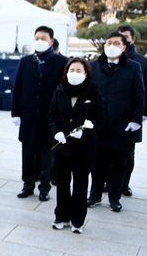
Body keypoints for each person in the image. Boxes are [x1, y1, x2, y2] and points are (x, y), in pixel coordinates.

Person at [87, 32, 145, 212]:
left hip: (122, 125)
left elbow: (139, 95)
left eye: (116, 43)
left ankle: (115, 197)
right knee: (97, 162)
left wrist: (136, 120)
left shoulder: (133, 67)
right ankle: (94, 195)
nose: (111, 46)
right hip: (98, 125)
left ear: (124, 47)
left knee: (119, 163)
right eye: (109, 42)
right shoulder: (94, 66)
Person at [11, 26, 69, 201]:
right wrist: (16, 112)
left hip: (49, 115)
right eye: (37, 38)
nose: (40, 41)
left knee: (47, 154)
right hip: (29, 114)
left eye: (44, 38)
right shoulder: (26, 61)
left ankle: (44, 187)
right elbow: (18, 87)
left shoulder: (61, 62)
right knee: (27, 152)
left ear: (51, 41)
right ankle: (27, 184)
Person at [48, 58, 104, 233]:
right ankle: (61, 216)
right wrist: (56, 131)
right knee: (62, 183)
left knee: (80, 184)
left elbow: (99, 118)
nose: (75, 73)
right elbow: (52, 115)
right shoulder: (60, 90)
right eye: (72, 70)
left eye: (79, 70)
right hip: (63, 147)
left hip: (84, 149)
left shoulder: (93, 92)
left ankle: (78, 220)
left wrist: (85, 131)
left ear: (86, 73)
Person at [116, 25, 147, 197]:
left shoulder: (142, 63)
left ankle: (124, 183)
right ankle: (108, 182)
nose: (123, 40)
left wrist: (141, 114)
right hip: (111, 114)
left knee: (127, 153)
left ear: (132, 40)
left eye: (126, 37)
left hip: (131, 115)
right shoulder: (109, 59)